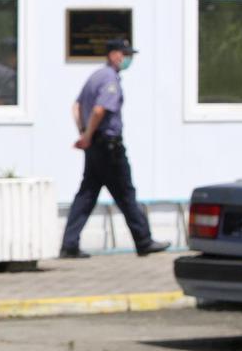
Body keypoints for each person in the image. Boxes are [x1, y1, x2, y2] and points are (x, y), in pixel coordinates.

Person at [59, 37, 170, 259]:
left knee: (87, 195)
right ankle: (144, 241)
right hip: (108, 147)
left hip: (95, 146)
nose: (127, 59)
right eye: (124, 54)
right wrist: (87, 136)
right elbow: (99, 110)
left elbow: (76, 106)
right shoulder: (109, 79)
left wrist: (84, 133)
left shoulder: (96, 76)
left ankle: (69, 244)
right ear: (113, 55)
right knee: (125, 193)